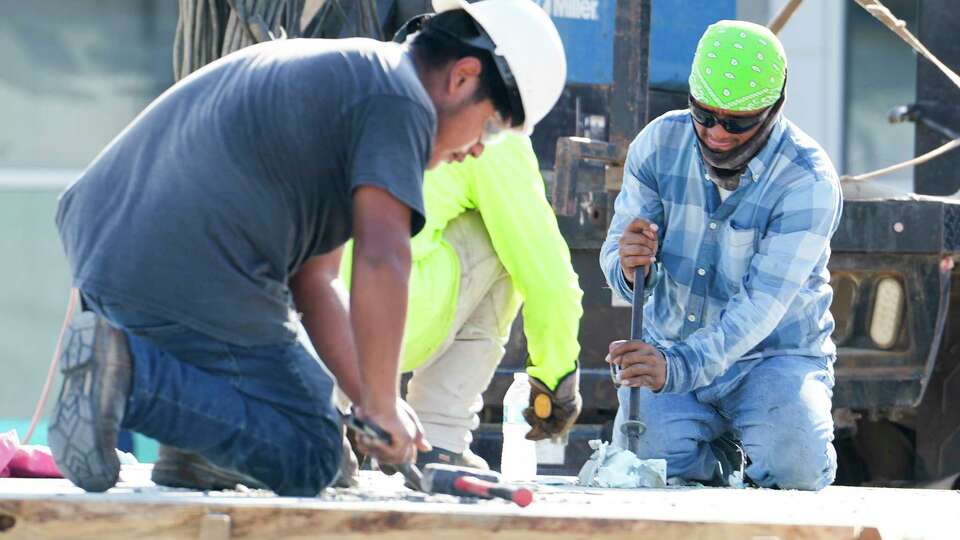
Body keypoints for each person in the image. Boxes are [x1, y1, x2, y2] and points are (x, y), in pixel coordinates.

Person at [49, 0, 566, 495]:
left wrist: (370, 399)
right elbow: (382, 258)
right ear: (463, 78)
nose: (478, 149)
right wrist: (385, 403)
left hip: (112, 252)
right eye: (494, 128)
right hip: (188, 267)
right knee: (315, 453)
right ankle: (129, 376)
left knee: (291, 430)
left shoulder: (358, 81)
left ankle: (192, 448)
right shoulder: (400, 100)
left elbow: (318, 282)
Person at [600, 20, 842, 491]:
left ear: (774, 109)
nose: (716, 133)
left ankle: (775, 453)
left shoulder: (807, 180)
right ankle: (721, 464)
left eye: (736, 122)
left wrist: (679, 368)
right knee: (644, 466)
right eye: (704, 115)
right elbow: (616, 258)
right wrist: (628, 266)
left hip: (771, 358)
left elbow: (760, 308)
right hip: (672, 343)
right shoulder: (657, 144)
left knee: (796, 466)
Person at [341, 132, 584, 470]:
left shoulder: (355, 93)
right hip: (390, 319)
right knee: (508, 239)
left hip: (313, 320)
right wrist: (556, 377)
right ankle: (439, 435)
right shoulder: (492, 136)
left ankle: (326, 421)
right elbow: (547, 277)